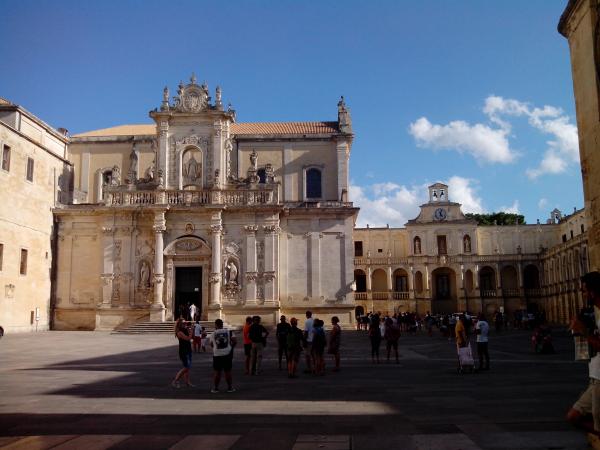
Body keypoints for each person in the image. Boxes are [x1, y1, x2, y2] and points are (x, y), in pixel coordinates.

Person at [567, 271, 600, 440]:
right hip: (594, 375)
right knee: (573, 416)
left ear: (593, 292)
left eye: (585, 291)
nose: (583, 294)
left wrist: (583, 331)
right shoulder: (594, 314)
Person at [207, 318, 236, 393]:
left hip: (217, 355)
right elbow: (234, 340)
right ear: (222, 325)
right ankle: (230, 388)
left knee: (217, 372)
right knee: (228, 372)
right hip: (227, 354)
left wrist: (217, 349)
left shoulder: (213, 334)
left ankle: (216, 388)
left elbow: (211, 344)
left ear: (215, 325)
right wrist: (231, 348)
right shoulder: (229, 332)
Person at [171, 318, 194, 388]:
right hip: (183, 351)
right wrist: (191, 332)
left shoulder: (184, 330)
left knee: (187, 367)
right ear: (180, 324)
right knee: (187, 367)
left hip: (188, 349)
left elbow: (191, 338)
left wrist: (189, 330)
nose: (185, 324)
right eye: (183, 323)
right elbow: (188, 338)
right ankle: (175, 380)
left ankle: (187, 382)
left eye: (185, 323)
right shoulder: (179, 332)